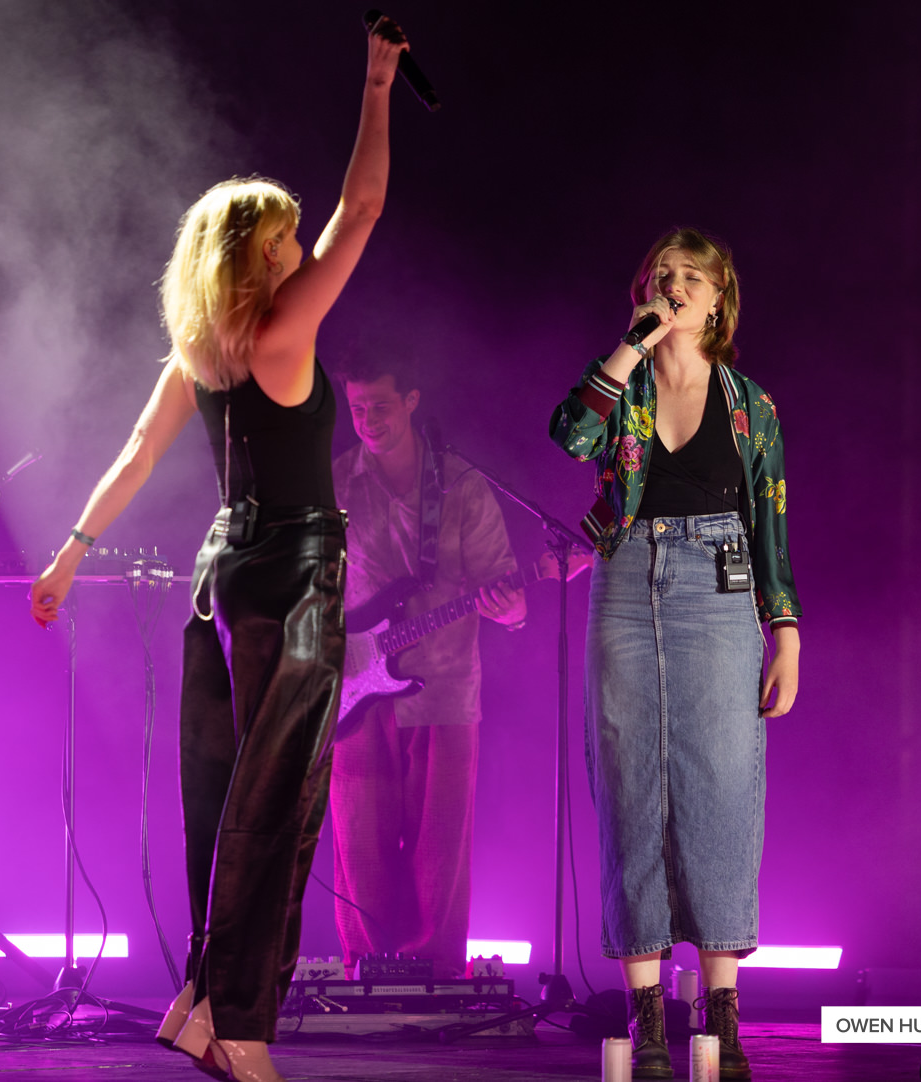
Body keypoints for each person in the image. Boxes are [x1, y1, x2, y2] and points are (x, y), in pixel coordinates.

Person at [28, 21, 408, 1082]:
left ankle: (199, 993)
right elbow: (364, 209)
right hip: (290, 577)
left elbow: (137, 453)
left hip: (216, 574)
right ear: (261, 253)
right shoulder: (283, 330)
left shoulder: (198, 350)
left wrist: (67, 554)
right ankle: (240, 1024)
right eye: (284, 235)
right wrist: (375, 83)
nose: (299, 246)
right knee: (276, 800)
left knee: (217, 793)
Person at [548, 228, 801, 1081]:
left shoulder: (751, 406)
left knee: (721, 776)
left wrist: (787, 632)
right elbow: (567, 435)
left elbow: (772, 527)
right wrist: (630, 346)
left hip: (720, 590)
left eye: (690, 277)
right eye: (662, 275)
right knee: (630, 780)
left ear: (721, 297)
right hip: (626, 580)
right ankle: (647, 1020)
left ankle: (722, 1020)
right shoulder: (625, 386)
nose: (674, 286)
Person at [329, 358, 525, 978]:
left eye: (380, 407)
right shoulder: (336, 485)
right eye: (357, 409)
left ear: (412, 399)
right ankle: (365, 969)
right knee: (357, 844)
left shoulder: (462, 486)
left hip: (444, 692)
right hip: (355, 692)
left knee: (440, 849)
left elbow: (504, 590)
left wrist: (512, 606)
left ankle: (436, 976)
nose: (368, 422)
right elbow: (313, 587)